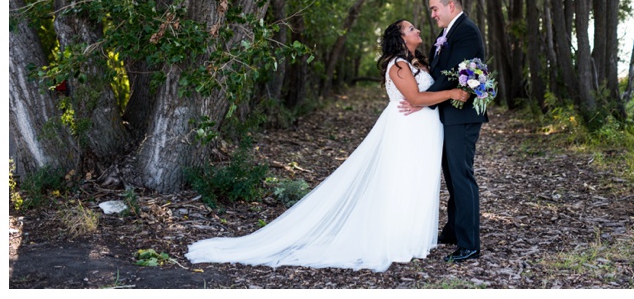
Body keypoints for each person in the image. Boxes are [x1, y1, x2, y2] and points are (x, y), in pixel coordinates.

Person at [185, 19, 468, 272]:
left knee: (416, 182)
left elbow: (423, 95)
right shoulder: (398, 65)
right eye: (411, 28)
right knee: (402, 182)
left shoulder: (416, 62)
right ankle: (396, 239)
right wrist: (454, 93)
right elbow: (416, 99)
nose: (417, 30)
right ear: (400, 38)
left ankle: (411, 235)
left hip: (423, 133)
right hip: (407, 132)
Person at [399, 0, 487, 263]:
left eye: (435, 9)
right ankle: (452, 230)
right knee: (452, 176)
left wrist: (422, 99)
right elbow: (439, 70)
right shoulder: (445, 34)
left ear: (451, 6)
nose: (433, 15)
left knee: (461, 176)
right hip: (449, 114)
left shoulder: (466, 32)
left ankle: (470, 243)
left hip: (462, 114)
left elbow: (451, 76)